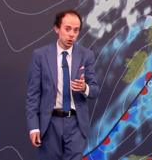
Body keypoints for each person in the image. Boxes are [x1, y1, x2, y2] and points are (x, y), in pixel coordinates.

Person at [26, 9, 99, 160]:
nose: (72, 34)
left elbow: (95, 90)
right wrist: (33, 127)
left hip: (76, 125)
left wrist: (85, 88)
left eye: (76, 30)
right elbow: (33, 95)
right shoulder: (40, 55)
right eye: (67, 29)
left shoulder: (87, 55)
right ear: (57, 28)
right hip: (50, 124)